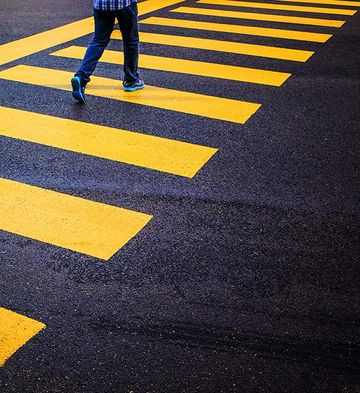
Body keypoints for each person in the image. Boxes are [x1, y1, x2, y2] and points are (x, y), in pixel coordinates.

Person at [71, 0, 144, 104]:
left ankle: (81, 77)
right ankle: (131, 80)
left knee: (98, 41)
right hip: (124, 4)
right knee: (130, 41)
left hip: (101, 5)